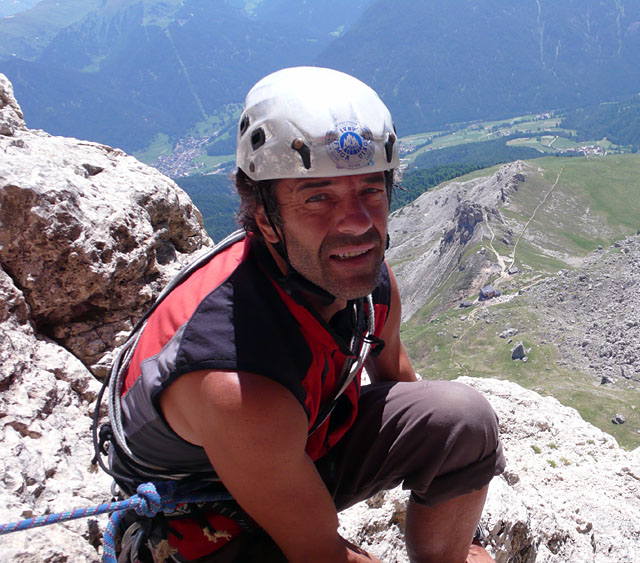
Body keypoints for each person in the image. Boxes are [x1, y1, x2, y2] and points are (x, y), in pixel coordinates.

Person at [103, 66, 505, 562]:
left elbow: (399, 377)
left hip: (297, 446)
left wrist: (461, 521)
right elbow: (320, 555)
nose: (358, 224)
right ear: (263, 218)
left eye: (371, 190)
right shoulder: (237, 381)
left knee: (462, 419)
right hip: (203, 510)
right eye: (318, 197)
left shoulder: (363, 280)